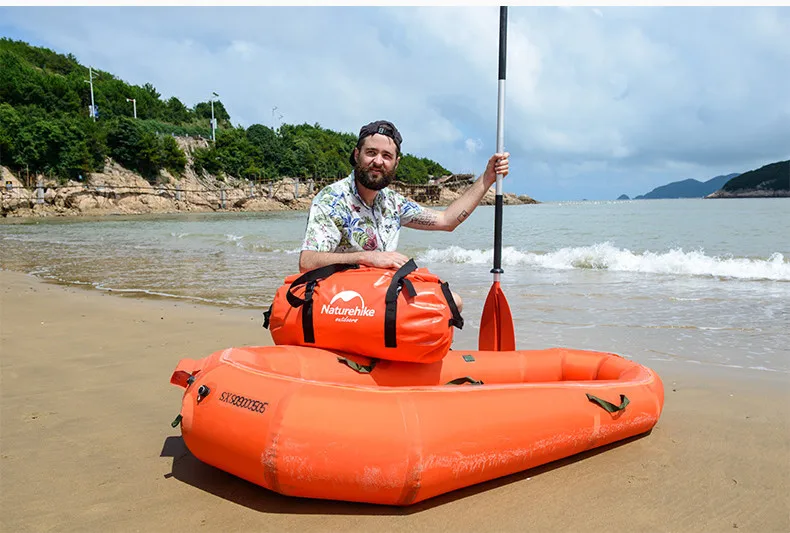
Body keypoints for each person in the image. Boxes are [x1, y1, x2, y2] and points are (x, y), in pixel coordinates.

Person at [299, 119, 510, 312]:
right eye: (371, 152)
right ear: (356, 155)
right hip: (341, 301)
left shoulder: (392, 202)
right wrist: (366, 257)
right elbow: (307, 262)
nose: (378, 161)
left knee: (451, 302)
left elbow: (447, 220)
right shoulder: (331, 199)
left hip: (379, 291)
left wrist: (487, 177)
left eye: (387, 156)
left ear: (396, 163)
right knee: (448, 303)